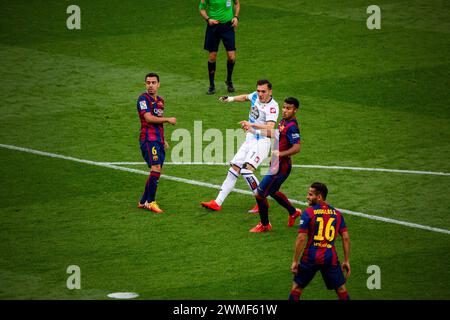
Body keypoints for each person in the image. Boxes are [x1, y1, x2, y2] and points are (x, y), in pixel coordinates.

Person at [201, 79, 279, 211]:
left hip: (262, 141)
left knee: (246, 170)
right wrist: (230, 99)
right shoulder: (255, 95)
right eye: (259, 91)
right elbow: (244, 97)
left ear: (270, 91)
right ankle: (217, 202)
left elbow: (271, 127)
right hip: (250, 138)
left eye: (263, 92)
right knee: (234, 167)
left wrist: (252, 124)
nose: (260, 94)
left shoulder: (273, 107)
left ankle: (261, 201)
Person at [246, 97, 302, 232]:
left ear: (295, 110)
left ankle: (265, 225)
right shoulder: (283, 121)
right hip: (276, 164)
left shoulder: (292, 126)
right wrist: (253, 130)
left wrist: (280, 154)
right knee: (273, 191)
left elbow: (297, 147)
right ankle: (293, 212)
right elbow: (276, 134)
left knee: (259, 194)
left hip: (280, 167)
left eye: (288, 108)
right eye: (284, 107)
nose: (284, 110)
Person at [289, 182, 351, 300]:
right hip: (330, 257)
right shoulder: (337, 214)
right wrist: (346, 260)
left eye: (310, 194)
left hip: (310, 257)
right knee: (341, 289)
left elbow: (301, 238)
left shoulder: (308, 212)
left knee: (297, 288)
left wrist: (295, 261)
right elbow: (346, 237)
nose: (307, 197)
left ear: (319, 197)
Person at [136, 73, 177, 213]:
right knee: (156, 168)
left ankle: (143, 201)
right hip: (148, 139)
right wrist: (167, 119)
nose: (151, 85)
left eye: (153, 82)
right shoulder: (143, 99)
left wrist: (163, 139)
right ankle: (151, 202)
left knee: (156, 170)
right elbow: (148, 118)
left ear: (158, 84)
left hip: (158, 140)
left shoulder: (160, 101)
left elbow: (157, 123)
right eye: (148, 82)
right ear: (145, 84)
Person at [199, 0, 240, 95]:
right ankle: (211, 85)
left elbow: (237, 3)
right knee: (212, 57)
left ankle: (229, 81)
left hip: (228, 27)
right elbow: (201, 8)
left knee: (231, 57)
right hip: (213, 27)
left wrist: (236, 17)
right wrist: (208, 19)